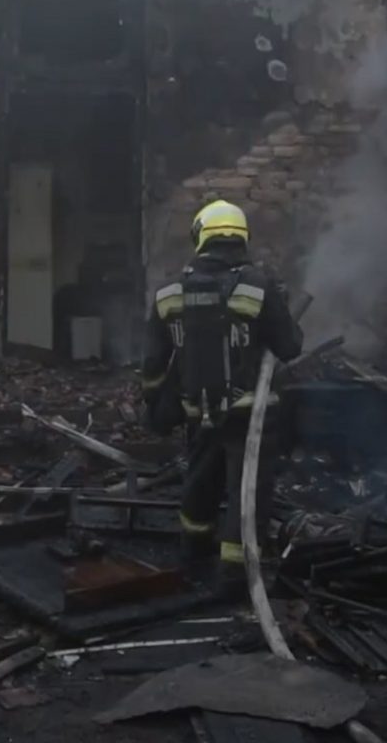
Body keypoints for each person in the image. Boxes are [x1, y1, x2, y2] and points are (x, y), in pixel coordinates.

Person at [141, 200, 303, 593]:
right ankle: (236, 572)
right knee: (247, 490)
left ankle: (194, 557)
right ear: (241, 238)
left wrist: (157, 406)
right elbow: (290, 347)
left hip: (198, 411)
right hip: (250, 413)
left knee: (199, 483)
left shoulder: (168, 293)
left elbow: (153, 365)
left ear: (200, 237)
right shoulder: (257, 287)